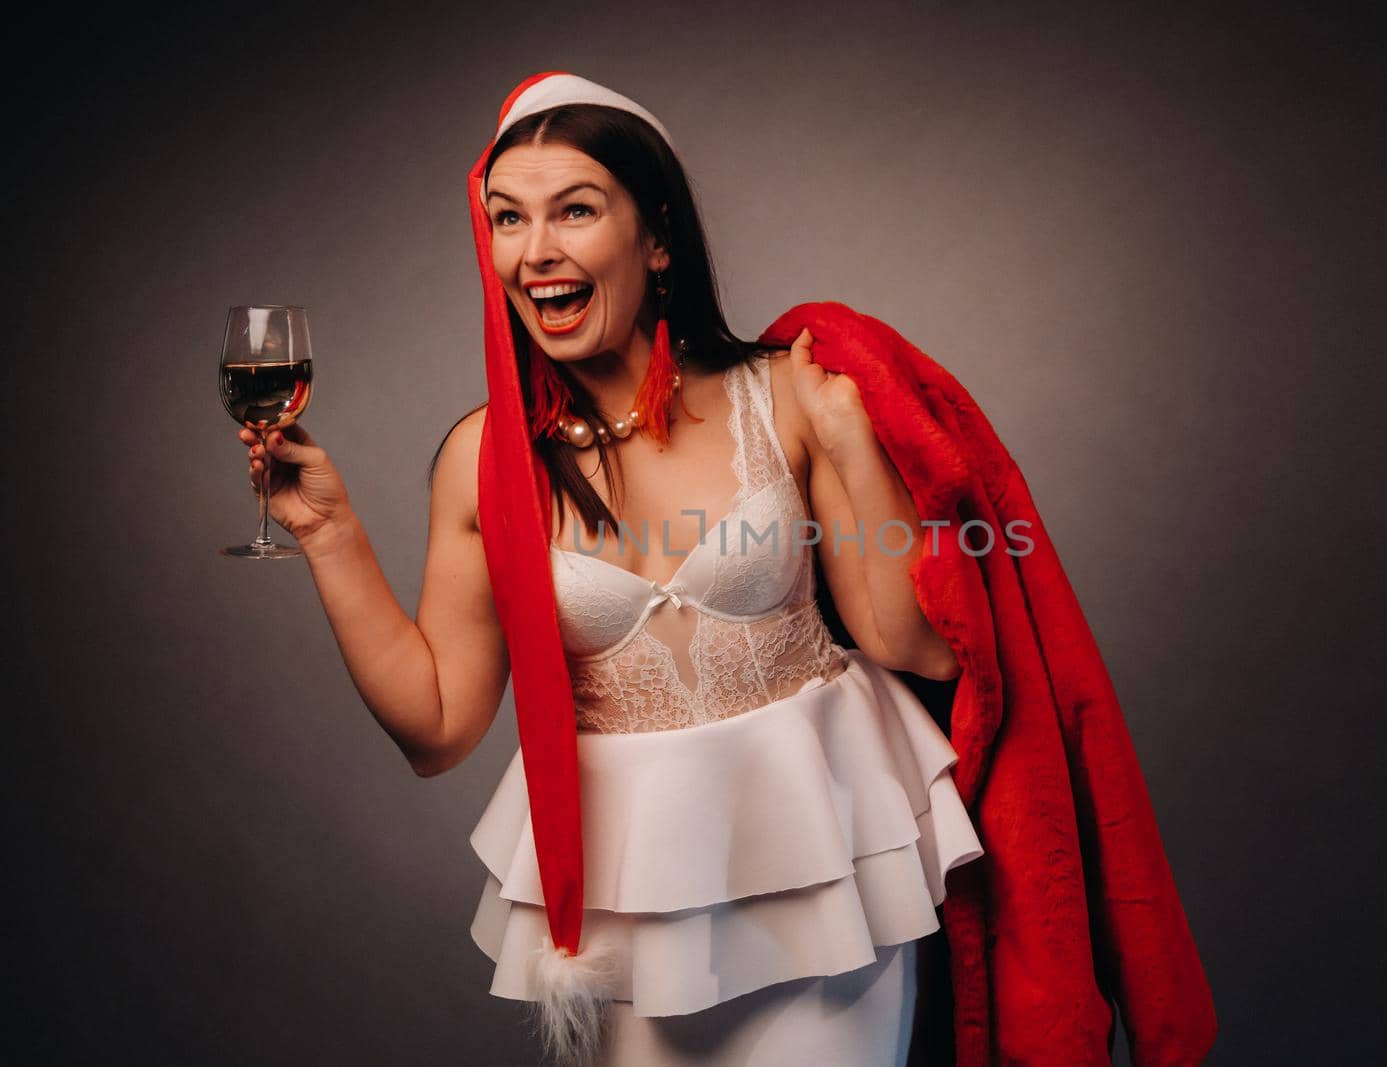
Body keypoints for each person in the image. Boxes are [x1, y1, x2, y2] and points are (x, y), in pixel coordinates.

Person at [236, 72, 986, 1066]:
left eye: (574, 210)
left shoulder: (790, 399)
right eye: (507, 218)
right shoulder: (484, 460)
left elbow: (916, 644)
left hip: (827, 861)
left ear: (657, 237)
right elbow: (437, 726)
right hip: (636, 891)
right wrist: (328, 535)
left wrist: (849, 434)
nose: (535, 249)